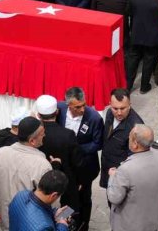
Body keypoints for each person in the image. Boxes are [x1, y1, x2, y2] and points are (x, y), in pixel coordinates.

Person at [0, 116, 52, 230]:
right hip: (31, 224)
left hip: (6, 219)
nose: (44, 136)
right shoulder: (42, 165)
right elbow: (48, 201)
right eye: (42, 134)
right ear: (32, 141)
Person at [106, 124, 158, 231]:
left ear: (135, 143)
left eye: (130, 137)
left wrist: (112, 177)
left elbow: (114, 198)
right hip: (151, 221)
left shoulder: (125, 169)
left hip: (130, 225)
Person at [56, 86, 104, 230]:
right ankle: (64, 223)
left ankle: (83, 225)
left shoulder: (94, 117)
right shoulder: (59, 110)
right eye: (78, 107)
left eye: (84, 105)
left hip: (85, 167)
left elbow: (98, 143)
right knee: (67, 197)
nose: (82, 109)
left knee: (84, 198)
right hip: (66, 167)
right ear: (68, 104)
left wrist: (75, 150)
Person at [126, 0, 158, 93]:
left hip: (136, 34)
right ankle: (144, 87)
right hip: (152, 36)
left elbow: (128, 12)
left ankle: (128, 86)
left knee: (132, 61)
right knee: (149, 61)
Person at [100, 88, 143, 189]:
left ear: (130, 105)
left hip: (121, 175)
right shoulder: (110, 113)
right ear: (110, 104)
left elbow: (135, 159)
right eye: (115, 108)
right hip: (107, 166)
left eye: (123, 108)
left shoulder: (136, 127)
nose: (119, 113)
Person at [8, 169, 72, 231]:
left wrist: (54, 213)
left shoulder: (20, 195)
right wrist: (62, 225)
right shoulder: (44, 227)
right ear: (54, 195)